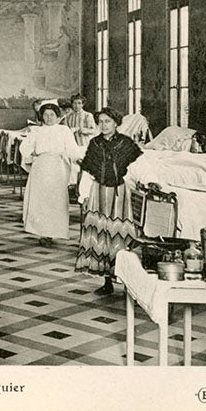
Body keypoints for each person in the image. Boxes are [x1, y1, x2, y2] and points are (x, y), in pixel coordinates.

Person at [74, 106, 143, 295]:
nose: (104, 125)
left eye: (108, 121)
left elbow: (137, 167)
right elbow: (88, 170)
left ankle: (129, 281)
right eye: (101, 121)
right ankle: (107, 282)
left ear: (115, 123)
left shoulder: (126, 143)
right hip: (99, 192)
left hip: (120, 193)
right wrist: (84, 195)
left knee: (120, 234)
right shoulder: (95, 144)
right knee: (102, 234)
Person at [19, 103, 81, 246]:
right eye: (45, 115)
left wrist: (80, 159)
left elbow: (72, 150)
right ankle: (42, 233)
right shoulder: (35, 131)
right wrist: (33, 152)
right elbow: (24, 149)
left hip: (57, 168)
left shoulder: (64, 130)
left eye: (52, 114)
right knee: (40, 200)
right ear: (41, 116)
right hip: (40, 167)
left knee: (56, 200)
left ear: (58, 116)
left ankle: (54, 231)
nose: (49, 118)